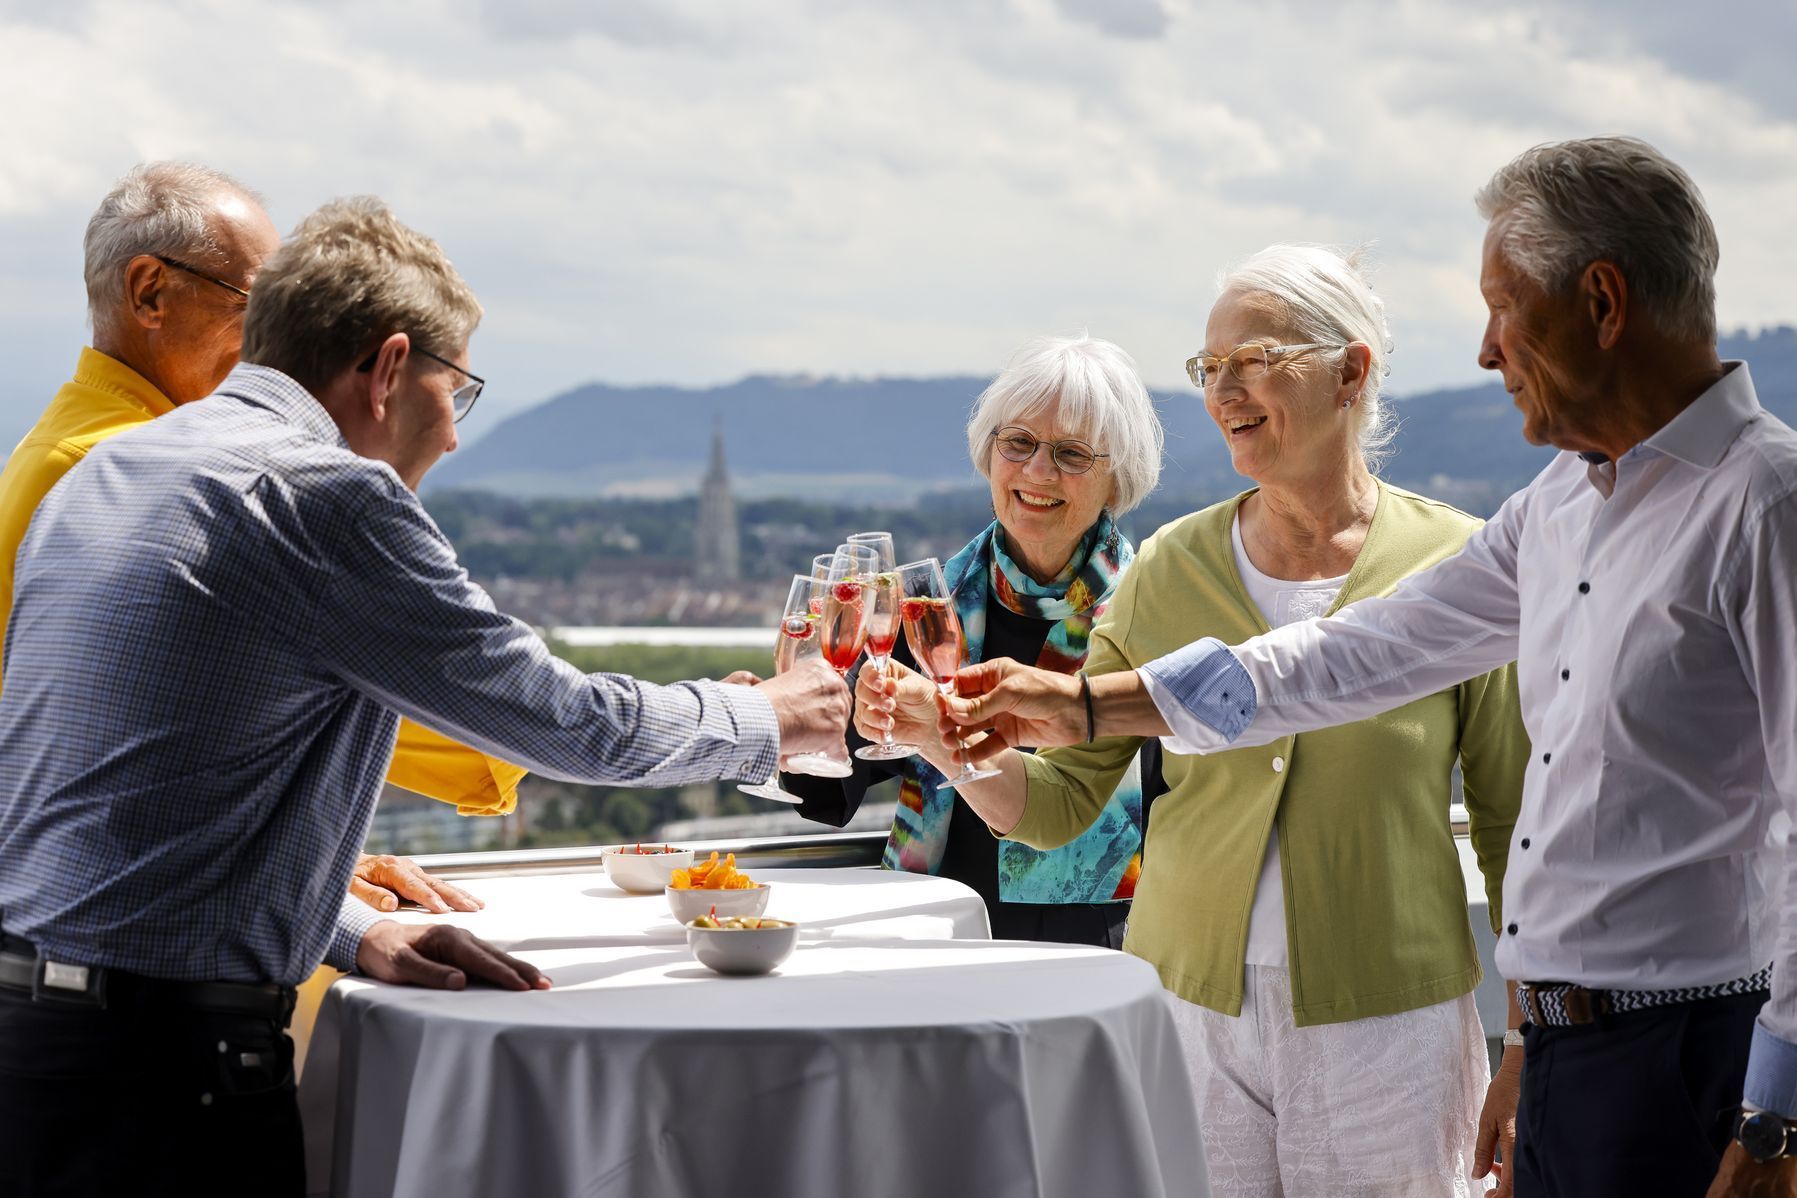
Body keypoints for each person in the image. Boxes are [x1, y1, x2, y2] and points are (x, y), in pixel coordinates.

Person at [940, 137, 1797, 1198]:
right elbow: (1346, 655)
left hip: (1686, 1051)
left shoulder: (1769, 506)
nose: (1485, 352)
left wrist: (1779, 1119)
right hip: (1569, 1055)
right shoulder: (1559, 510)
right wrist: (1077, 704)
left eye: (1502, 307)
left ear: (1604, 302)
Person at [0, 195, 850, 1197]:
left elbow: (129, 812)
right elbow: (574, 723)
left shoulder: (109, 468)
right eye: (461, 391)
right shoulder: (325, 497)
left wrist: (351, 929)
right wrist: (783, 717)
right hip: (166, 1079)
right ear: (390, 367)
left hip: (36, 1047)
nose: (451, 438)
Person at [870, 247, 1528, 1195]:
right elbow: (1057, 807)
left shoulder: (1457, 569)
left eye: (1253, 358)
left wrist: (1525, 1040)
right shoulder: (1167, 571)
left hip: (1391, 1026)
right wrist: (948, 741)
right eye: (1208, 368)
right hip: (1184, 1015)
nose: (1224, 391)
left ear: (1351, 371)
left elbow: (1515, 825)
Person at [0, 161, 506, 915]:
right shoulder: (122, 474)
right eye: (256, 302)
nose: (279, 341)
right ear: (149, 292)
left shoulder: (85, 454)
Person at [788, 333, 1165, 945]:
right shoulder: (927, 605)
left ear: (1116, 479)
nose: (1037, 471)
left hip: (1098, 945)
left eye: (1071, 453)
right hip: (933, 933)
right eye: (1018, 442)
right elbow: (827, 777)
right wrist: (796, 713)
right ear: (989, 455)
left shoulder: (1151, 609)